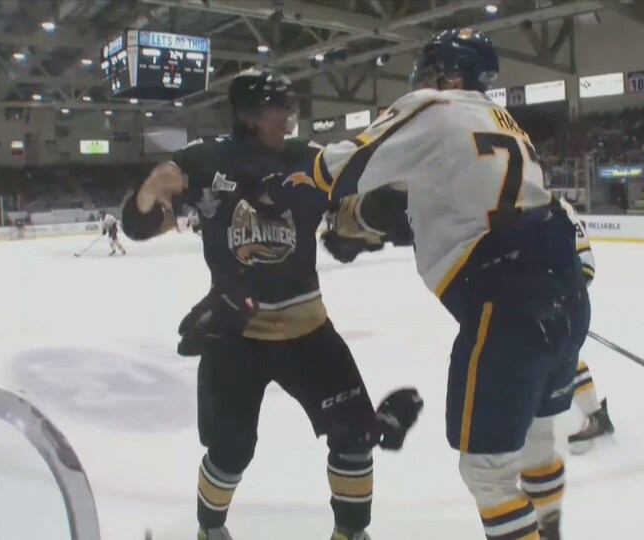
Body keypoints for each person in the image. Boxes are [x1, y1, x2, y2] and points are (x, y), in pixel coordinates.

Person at [309, 29, 590, 540]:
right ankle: (550, 530)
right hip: (564, 289)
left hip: (506, 303)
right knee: (537, 440)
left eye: (432, 65)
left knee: (485, 470)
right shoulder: (505, 122)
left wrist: (283, 172)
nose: (422, 76)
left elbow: (336, 168)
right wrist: (377, 227)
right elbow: (454, 205)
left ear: (452, 74)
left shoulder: (434, 105)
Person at [119, 69, 423, 540]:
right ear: (250, 115)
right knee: (229, 451)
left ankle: (351, 534)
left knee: (355, 439)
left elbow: (347, 223)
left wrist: (388, 204)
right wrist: (148, 194)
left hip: (308, 329)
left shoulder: (311, 159)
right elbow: (143, 219)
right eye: (280, 110)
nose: (289, 119)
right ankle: (209, 530)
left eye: (289, 109)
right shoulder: (207, 160)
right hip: (235, 333)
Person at [562, 201, 615, 455]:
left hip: (566, 286)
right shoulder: (556, 203)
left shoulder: (539, 204)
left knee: (561, 356)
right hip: (571, 282)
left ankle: (595, 415)